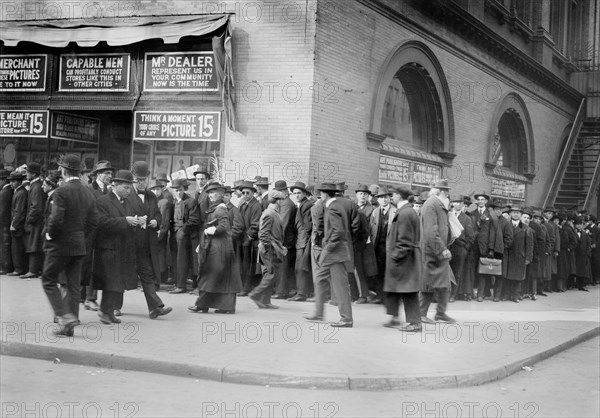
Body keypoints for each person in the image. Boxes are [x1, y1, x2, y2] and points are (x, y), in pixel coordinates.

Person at [41, 154, 98, 336]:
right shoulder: (87, 192)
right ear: (79, 171)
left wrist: (50, 235)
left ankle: (64, 316)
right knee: (73, 285)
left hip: (60, 245)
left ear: (64, 171)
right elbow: (93, 220)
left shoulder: (61, 191)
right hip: (78, 245)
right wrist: (81, 235)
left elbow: (56, 219)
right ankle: (69, 326)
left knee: (48, 280)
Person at [304, 182, 357, 328]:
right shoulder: (335, 206)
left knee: (340, 286)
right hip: (334, 252)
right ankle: (319, 313)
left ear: (325, 194)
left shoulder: (333, 208)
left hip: (335, 253)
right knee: (320, 279)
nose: (320, 196)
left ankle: (346, 318)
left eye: (320, 194)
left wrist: (326, 250)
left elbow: (338, 232)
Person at [126, 162, 173, 318]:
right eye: (138, 180)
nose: (141, 183)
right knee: (122, 274)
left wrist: (155, 221)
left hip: (146, 244)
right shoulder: (127, 195)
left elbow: (158, 215)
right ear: (133, 179)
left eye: (144, 180)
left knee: (147, 275)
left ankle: (155, 308)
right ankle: (113, 307)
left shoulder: (151, 195)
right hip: (130, 242)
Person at [188, 183, 242, 314]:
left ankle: (202, 305)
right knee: (220, 277)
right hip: (218, 246)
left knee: (210, 275)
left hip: (219, 248)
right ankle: (226, 306)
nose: (210, 195)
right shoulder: (217, 208)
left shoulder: (220, 209)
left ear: (220, 194)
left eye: (213, 193)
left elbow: (224, 227)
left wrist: (210, 231)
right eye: (209, 193)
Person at [383, 186, 422, 332]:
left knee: (408, 291)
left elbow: (405, 240)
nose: (391, 197)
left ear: (399, 196)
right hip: (403, 258)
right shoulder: (406, 211)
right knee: (394, 288)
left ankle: (415, 322)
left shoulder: (405, 213)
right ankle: (393, 316)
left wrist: (395, 256)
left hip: (403, 259)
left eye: (392, 194)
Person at [419, 180, 456, 324]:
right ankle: (421, 313)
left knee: (444, 283)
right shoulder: (432, 204)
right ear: (440, 191)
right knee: (428, 284)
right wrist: (442, 249)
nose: (448, 194)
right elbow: (430, 231)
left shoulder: (438, 204)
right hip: (432, 251)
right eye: (446, 191)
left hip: (437, 250)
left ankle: (440, 313)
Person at [83, 160, 116, 311]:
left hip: (105, 233)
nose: (110, 176)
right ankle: (89, 298)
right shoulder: (89, 189)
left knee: (100, 265)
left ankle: (92, 298)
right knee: (90, 264)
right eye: (107, 173)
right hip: (91, 233)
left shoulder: (110, 191)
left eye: (110, 173)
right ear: (98, 174)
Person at [249, 190, 287, 309]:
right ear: (278, 201)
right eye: (281, 200)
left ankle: (265, 301)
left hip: (271, 247)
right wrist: (268, 249)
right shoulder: (269, 214)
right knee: (272, 273)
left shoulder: (272, 213)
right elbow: (263, 234)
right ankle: (255, 294)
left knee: (268, 273)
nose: (282, 203)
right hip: (269, 248)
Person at [469, 191, 503, 302]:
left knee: (483, 270)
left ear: (486, 201)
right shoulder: (472, 213)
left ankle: (481, 293)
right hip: (473, 246)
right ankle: (471, 292)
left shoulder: (490, 214)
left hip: (485, 247)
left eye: (482, 199)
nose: (480, 201)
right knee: (472, 269)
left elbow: (493, 232)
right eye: (478, 199)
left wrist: (491, 248)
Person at [169, 178, 200, 294]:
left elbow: (194, 219)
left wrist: (183, 230)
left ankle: (181, 286)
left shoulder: (190, 201)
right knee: (176, 260)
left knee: (182, 260)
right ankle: (177, 283)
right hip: (175, 234)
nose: (178, 192)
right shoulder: (174, 201)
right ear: (172, 190)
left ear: (184, 189)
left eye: (180, 190)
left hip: (186, 235)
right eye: (176, 190)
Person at [369, 186, 396, 304]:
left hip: (390, 247)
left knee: (390, 272)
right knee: (379, 272)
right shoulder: (375, 212)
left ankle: (389, 298)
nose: (384, 200)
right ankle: (380, 296)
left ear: (389, 198)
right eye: (381, 198)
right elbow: (371, 229)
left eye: (386, 197)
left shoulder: (395, 212)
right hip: (378, 247)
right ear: (378, 200)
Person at [272, 180, 297, 300]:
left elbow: (283, 224)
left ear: (284, 192)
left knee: (283, 266)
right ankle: (282, 290)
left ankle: (281, 291)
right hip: (284, 239)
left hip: (284, 240)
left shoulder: (286, 204)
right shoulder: (284, 203)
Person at [288, 181, 313, 302]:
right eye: (294, 193)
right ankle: (302, 291)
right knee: (299, 267)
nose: (296, 195)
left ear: (304, 193)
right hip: (300, 240)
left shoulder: (306, 205)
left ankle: (302, 293)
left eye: (299, 193)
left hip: (303, 241)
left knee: (300, 267)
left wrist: (304, 240)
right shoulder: (300, 205)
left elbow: (308, 226)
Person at [237, 181, 262, 295]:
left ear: (253, 193)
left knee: (248, 264)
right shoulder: (242, 204)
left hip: (250, 239)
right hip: (241, 237)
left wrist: (248, 236)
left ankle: (246, 287)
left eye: (248, 192)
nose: (245, 195)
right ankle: (241, 286)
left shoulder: (256, 206)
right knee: (241, 263)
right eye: (243, 193)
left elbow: (255, 224)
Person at [353, 184, 377, 304]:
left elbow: (372, 228)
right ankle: (358, 293)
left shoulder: (372, 209)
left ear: (369, 196)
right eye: (361, 193)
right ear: (356, 195)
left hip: (365, 243)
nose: (363, 196)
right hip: (353, 241)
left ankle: (363, 295)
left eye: (365, 194)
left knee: (362, 269)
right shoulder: (352, 206)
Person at [504, 206, 534, 303]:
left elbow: (529, 245)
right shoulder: (506, 225)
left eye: (518, 213)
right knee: (507, 276)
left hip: (520, 256)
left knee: (518, 278)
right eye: (513, 212)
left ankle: (515, 295)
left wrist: (528, 257)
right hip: (508, 255)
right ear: (510, 214)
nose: (516, 214)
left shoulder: (526, 228)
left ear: (521, 215)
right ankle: (507, 294)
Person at [449, 195, 475, 302]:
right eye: (456, 202)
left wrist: (465, 248)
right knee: (446, 272)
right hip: (448, 248)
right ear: (452, 204)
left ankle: (453, 295)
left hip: (459, 249)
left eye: (460, 202)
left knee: (457, 273)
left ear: (463, 204)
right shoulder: (448, 216)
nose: (458, 204)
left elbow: (470, 237)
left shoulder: (466, 218)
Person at [22, 162, 46, 279]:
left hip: (35, 222)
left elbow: (36, 206)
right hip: (36, 221)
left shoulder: (36, 187)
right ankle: (35, 269)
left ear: (33, 173)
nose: (26, 174)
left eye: (27, 172)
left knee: (33, 245)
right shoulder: (36, 185)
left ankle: (33, 270)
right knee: (34, 245)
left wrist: (29, 220)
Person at [149, 180, 171, 286]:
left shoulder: (164, 202)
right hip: (151, 232)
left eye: (157, 189)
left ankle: (157, 281)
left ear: (161, 189)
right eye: (153, 189)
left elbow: (165, 220)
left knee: (159, 258)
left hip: (159, 233)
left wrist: (160, 232)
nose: (155, 191)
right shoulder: (151, 201)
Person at [7, 171, 28, 277]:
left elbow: (19, 211)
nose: (11, 183)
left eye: (13, 181)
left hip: (18, 225)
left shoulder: (20, 193)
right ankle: (18, 268)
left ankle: (18, 269)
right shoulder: (19, 192)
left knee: (17, 247)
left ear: (19, 182)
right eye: (10, 181)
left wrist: (14, 224)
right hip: (17, 224)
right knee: (16, 247)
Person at [0, 169, 14, 274]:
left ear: (4, 180)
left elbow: (2, 211)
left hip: (3, 223)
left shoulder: (4, 192)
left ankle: (4, 267)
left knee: (4, 245)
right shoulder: (9, 190)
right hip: (7, 222)